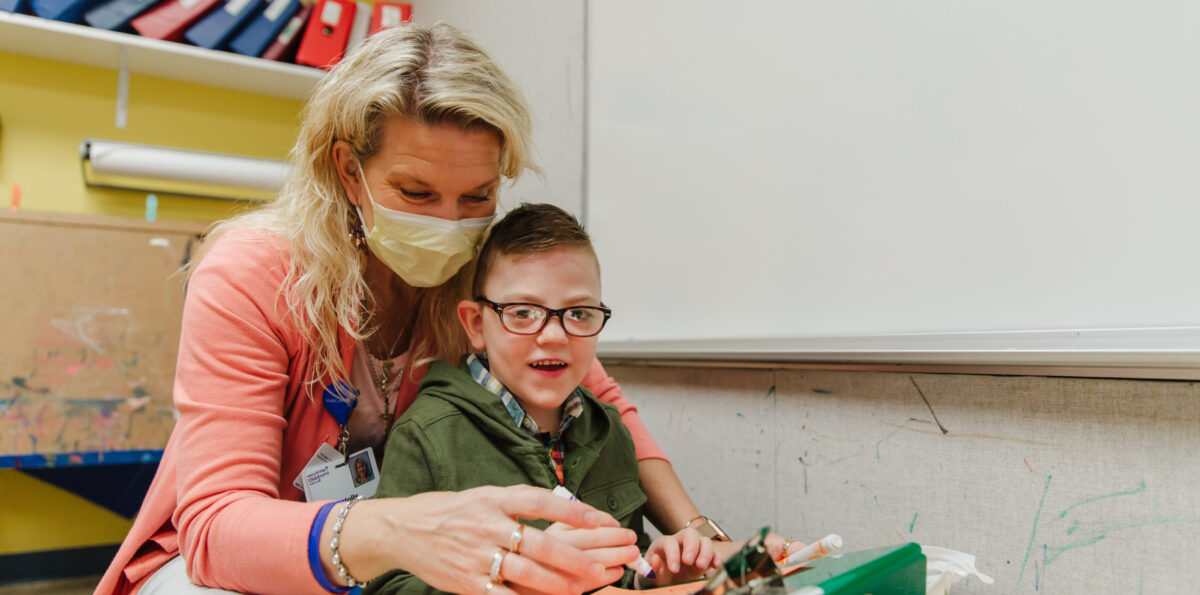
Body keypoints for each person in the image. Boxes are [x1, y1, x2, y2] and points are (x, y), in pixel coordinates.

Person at [96, 22, 753, 595]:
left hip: (397, 565)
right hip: (234, 569)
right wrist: (406, 530)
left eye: (477, 196)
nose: (450, 224)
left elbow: (594, 387)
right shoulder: (254, 273)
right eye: (415, 191)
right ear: (349, 172)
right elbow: (218, 527)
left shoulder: (481, 279)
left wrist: (696, 534)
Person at [366, 204, 720, 594]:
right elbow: (387, 587)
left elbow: (620, 570)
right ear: (475, 324)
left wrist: (655, 574)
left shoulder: (610, 430)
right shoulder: (427, 437)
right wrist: (518, 579)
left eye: (580, 313)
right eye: (522, 312)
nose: (554, 336)